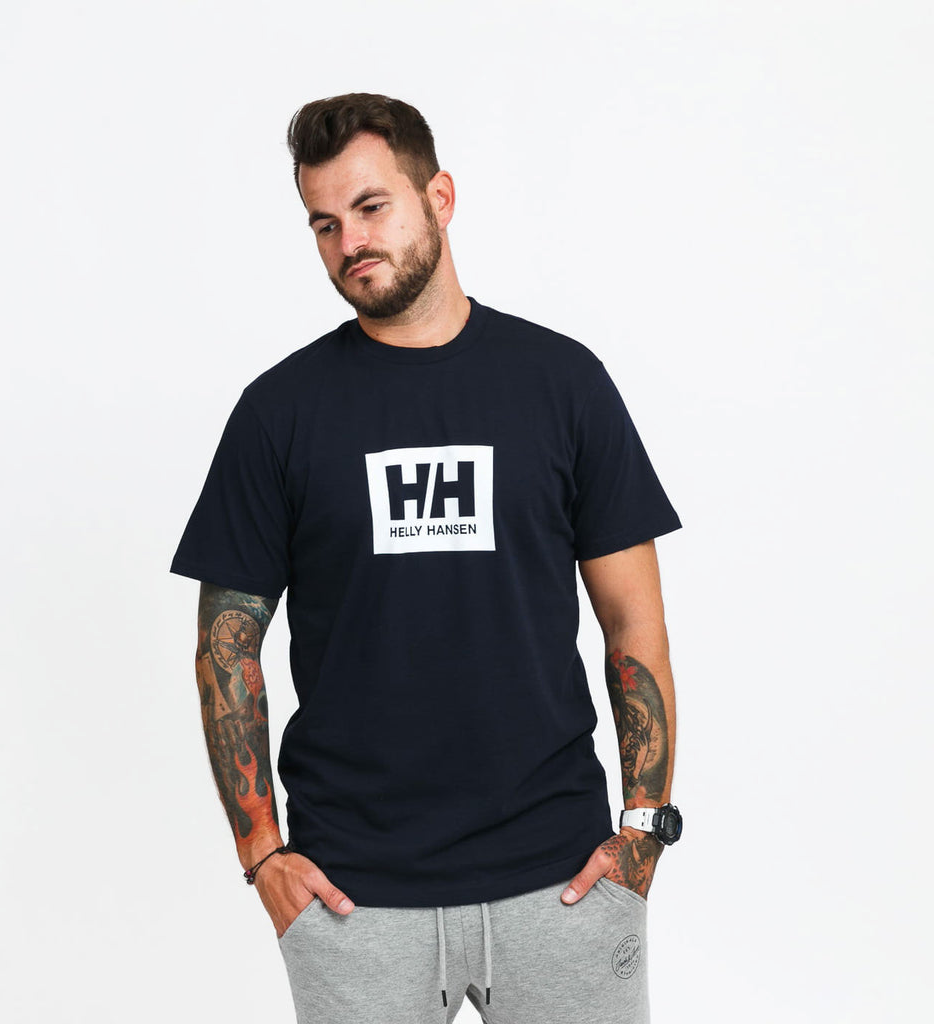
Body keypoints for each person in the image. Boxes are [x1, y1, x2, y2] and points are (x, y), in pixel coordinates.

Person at [171, 93, 684, 1024]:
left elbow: (633, 621)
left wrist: (643, 829)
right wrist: (262, 855)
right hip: (352, 898)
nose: (349, 242)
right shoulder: (279, 413)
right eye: (324, 223)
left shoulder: (561, 383)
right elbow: (225, 645)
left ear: (439, 197)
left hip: (564, 880)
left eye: (371, 207)